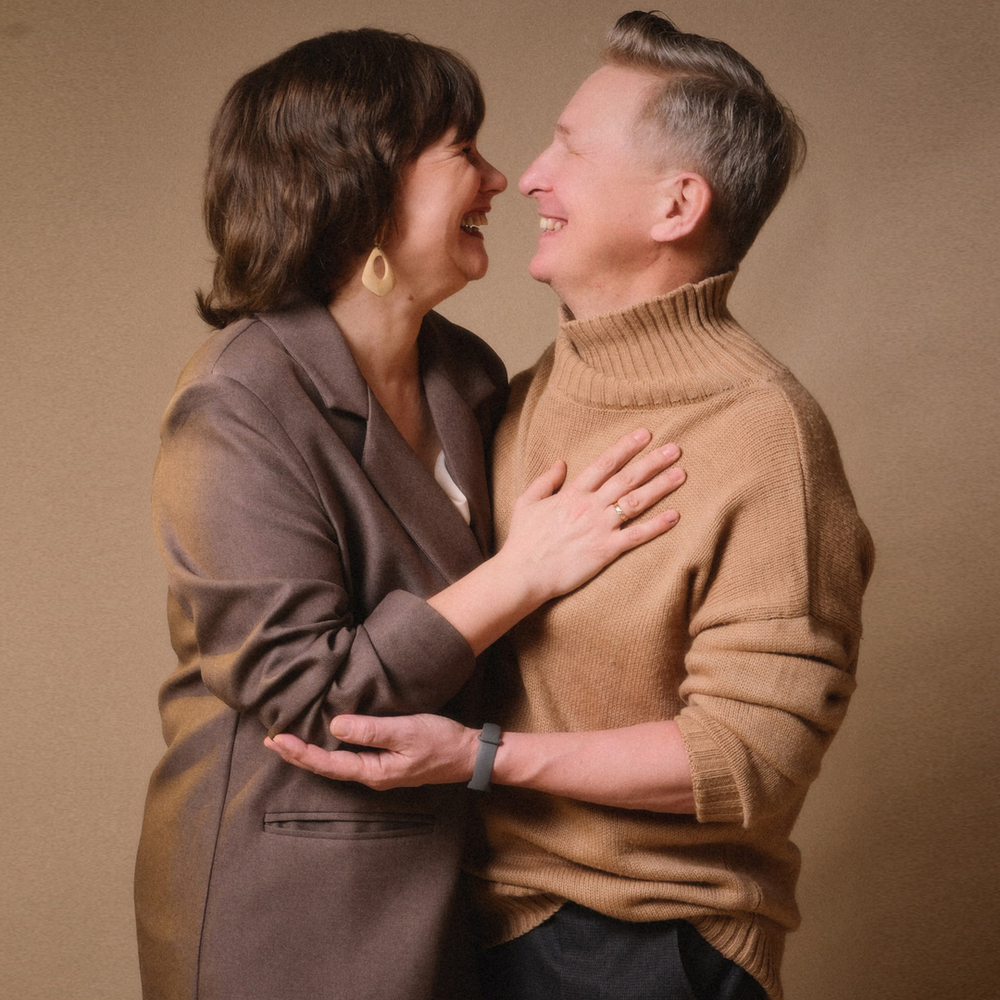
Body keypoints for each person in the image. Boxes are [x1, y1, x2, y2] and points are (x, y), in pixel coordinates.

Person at [266, 12, 876, 1000]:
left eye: (572, 149)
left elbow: (745, 759)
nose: (530, 177)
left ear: (675, 205)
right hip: (474, 926)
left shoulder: (766, 438)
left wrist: (480, 758)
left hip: (646, 944)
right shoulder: (512, 394)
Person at [133, 27, 689, 1000]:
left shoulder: (466, 371)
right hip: (287, 906)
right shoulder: (236, 404)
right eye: (463, 150)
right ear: (362, 182)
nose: (500, 179)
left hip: (456, 888)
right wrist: (521, 572)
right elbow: (313, 693)